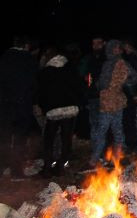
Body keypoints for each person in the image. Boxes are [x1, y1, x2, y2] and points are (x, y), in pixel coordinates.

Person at [37, 54, 84, 177]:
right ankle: (61, 166)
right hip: (70, 109)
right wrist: (79, 104)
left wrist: (42, 106)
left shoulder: (46, 72)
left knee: (49, 139)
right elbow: (79, 86)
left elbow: (40, 91)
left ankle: (47, 167)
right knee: (66, 138)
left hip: (53, 110)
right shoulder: (70, 69)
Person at [0, 37, 38, 177]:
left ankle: (2, 167)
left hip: (4, 105)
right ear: (26, 45)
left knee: (4, 137)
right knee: (19, 138)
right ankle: (16, 172)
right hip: (22, 105)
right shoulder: (28, 60)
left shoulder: (4, 58)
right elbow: (34, 84)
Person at [90, 39, 130, 166]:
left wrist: (112, 85)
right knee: (115, 130)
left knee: (103, 130)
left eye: (119, 48)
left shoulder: (113, 63)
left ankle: (96, 159)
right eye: (117, 48)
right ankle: (115, 158)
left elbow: (102, 84)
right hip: (115, 100)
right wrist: (121, 85)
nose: (118, 50)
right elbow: (134, 77)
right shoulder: (121, 63)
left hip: (109, 101)